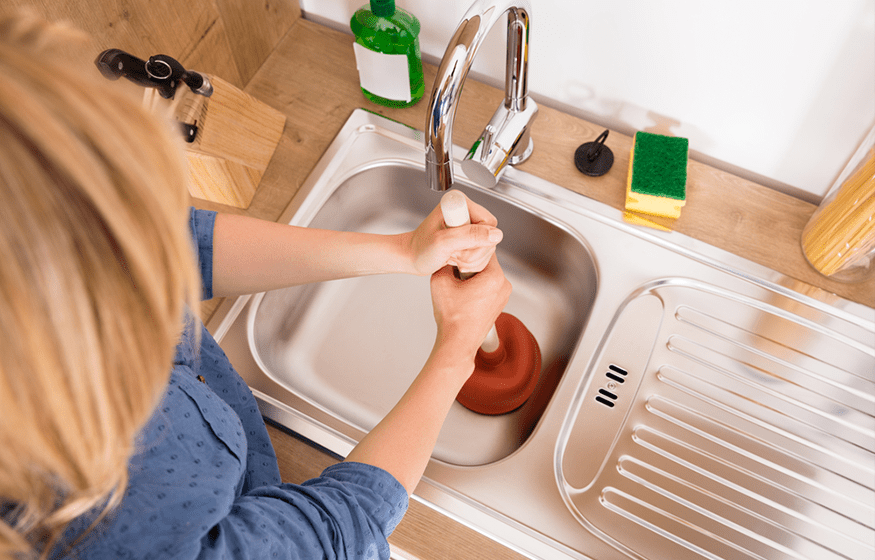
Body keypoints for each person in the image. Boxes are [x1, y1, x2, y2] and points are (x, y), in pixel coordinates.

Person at [0, 12, 511, 560]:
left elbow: (178, 245)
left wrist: (402, 252)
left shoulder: (45, 245)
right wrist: (457, 350)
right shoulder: (92, 515)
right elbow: (331, 535)